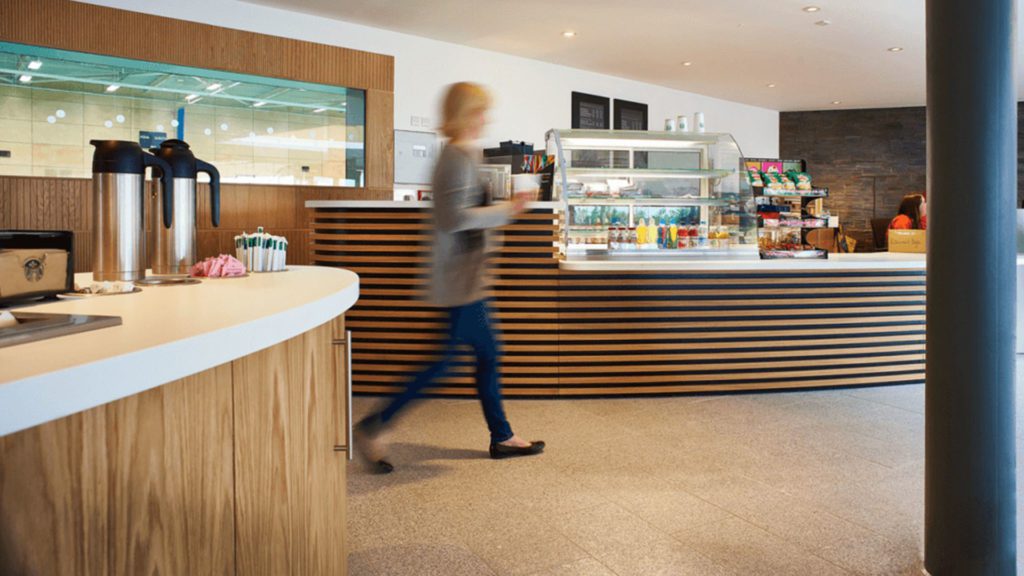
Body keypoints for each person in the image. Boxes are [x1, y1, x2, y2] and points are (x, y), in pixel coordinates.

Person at [354, 82, 545, 473]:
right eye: (480, 111)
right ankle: (374, 425)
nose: (485, 118)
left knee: (484, 356)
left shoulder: (463, 153)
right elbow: (453, 219)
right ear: (464, 114)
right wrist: (509, 209)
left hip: (468, 279)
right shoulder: (456, 157)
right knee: (445, 364)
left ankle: (502, 435)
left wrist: (505, 208)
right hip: (461, 283)